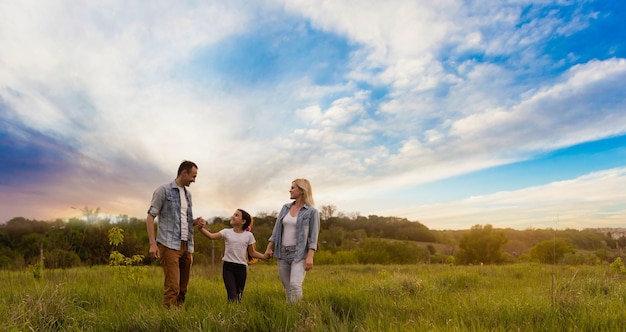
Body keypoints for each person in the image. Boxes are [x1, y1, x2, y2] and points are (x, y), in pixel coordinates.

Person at [146, 160, 203, 308]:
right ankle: (167, 321)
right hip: (169, 245)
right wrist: (153, 243)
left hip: (187, 245)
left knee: (183, 289)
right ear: (184, 173)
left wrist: (196, 222)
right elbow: (150, 216)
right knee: (172, 288)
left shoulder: (188, 195)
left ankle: (177, 319)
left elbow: (184, 220)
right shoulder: (163, 190)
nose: (194, 180)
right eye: (193, 176)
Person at [264, 178, 320, 302]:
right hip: (282, 252)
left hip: (299, 253)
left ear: (301, 190)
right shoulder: (285, 208)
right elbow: (276, 230)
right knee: (288, 288)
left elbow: (313, 237)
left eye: (293, 187)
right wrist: (269, 247)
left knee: (295, 285)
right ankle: (292, 315)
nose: (290, 190)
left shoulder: (312, 212)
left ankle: (299, 315)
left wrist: (310, 256)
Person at [196, 209, 267, 302]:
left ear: (243, 221)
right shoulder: (226, 232)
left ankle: (235, 314)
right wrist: (201, 229)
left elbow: (252, 252)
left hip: (241, 268)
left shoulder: (249, 235)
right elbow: (211, 236)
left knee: (239, 295)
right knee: (232, 295)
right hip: (228, 268)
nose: (233, 216)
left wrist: (264, 257)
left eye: (236, 215)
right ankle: (231, 313)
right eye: (234, 214)